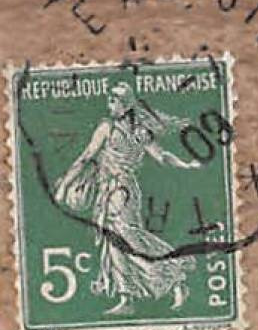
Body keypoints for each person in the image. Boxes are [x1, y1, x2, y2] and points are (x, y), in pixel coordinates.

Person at [51, 83, 202, 315]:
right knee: (117, 242)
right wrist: (185, 164)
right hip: (116, 190)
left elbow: (86, 158)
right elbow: (162, 156)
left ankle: (173, 272)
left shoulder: (109, 128)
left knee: (128, 238)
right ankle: (128, 297)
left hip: (118, 191)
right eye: (109, 100)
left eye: (114, 101)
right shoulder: (138, 130)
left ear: (125, 105)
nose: (109, 105)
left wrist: (64, 187)